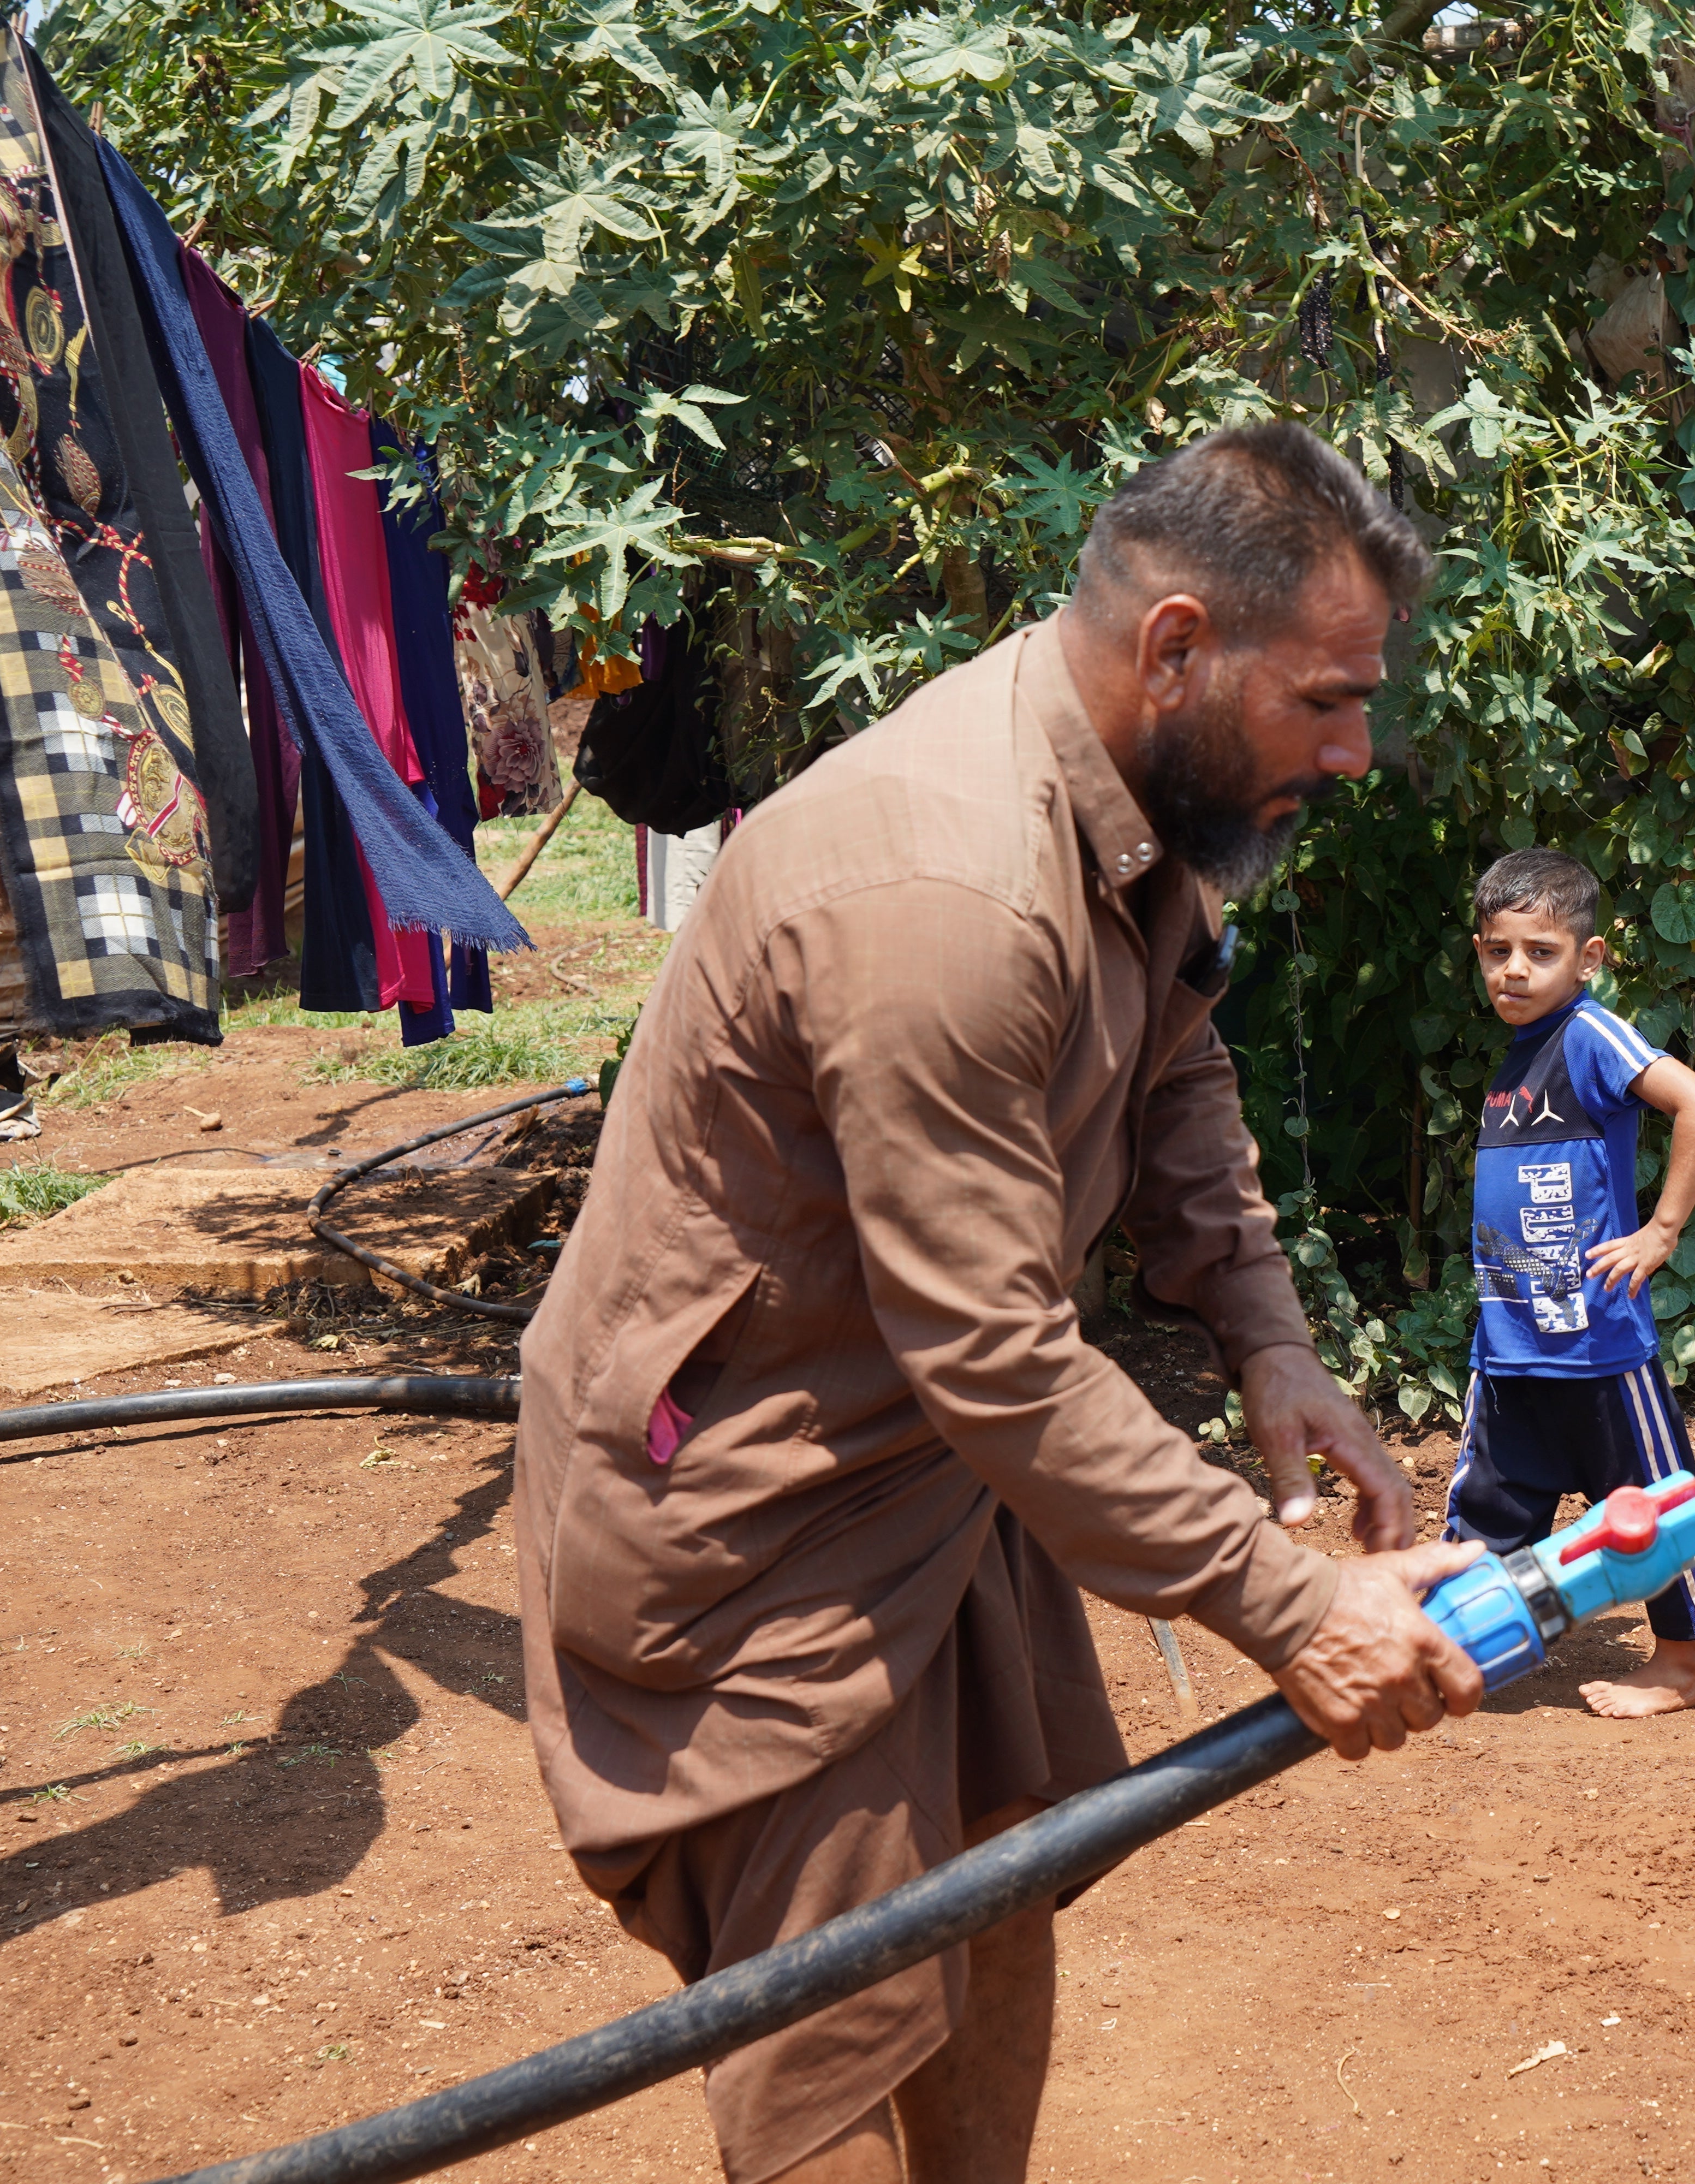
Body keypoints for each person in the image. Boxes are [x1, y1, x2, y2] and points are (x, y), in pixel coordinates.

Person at [515, 422, 1488, 2184]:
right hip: (757, 1513)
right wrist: (1297, 1608)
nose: (1354, 752)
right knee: (825, 2047)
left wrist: (1266, 1340)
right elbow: (999, 1363)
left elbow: (1177, 1057)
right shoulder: (950, 889)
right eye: (1326, 702)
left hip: (933, 1477)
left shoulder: (1146, 795)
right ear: (1179, 647)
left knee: (992, 1894)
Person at [1448, 846, 1695, 1717]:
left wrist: (1661, 1232)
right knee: (1487, 1514)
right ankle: (1470, 1641)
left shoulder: (1587, 1034)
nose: (1516, 969)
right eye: (1499, 950)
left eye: (1540, 951)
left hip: (1600, 1342)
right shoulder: (1516, 1060)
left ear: (1589, 958)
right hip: (1510, 1347)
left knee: (1652, 1505)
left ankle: (1683, 1664)